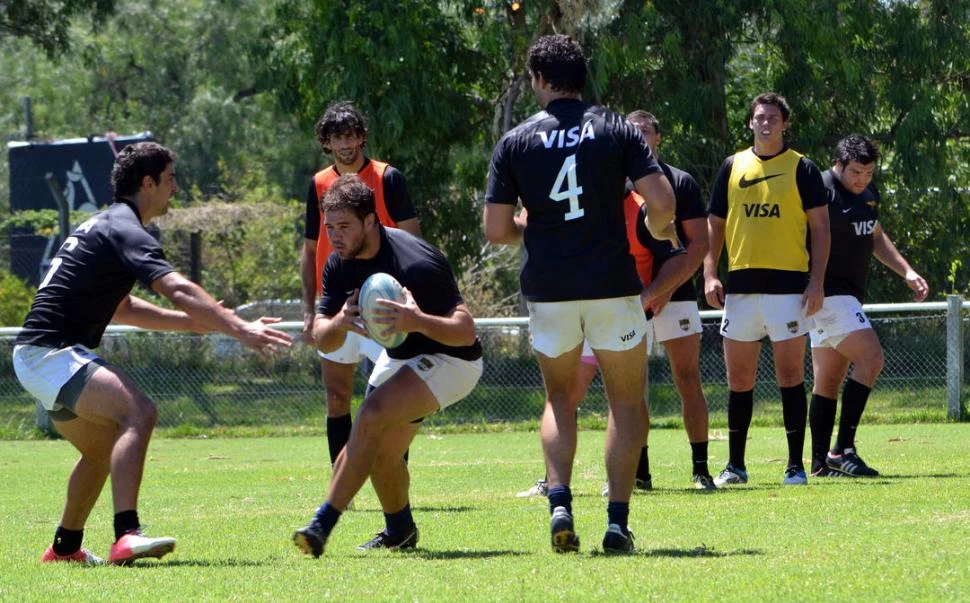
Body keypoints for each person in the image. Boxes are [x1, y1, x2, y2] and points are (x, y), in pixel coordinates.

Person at [12, 142, 292, 565]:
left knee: (103, 447)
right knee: (139, 412)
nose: (175, 188)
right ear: (148, 183)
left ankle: (64, 549)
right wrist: (239, 329)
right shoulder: (126, 228)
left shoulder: (108, 225)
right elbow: (177, 288)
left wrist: (197, 322)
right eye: (170, 179)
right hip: (51, 355)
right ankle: (126, 534)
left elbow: (124, 307)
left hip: (39, 357)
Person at [484, 34, 677, 554]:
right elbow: (661, 198)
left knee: (560, 398)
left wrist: (533, 225)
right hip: (612, 286)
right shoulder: (616, 127)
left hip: (549, 290)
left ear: (540, 80)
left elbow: (497, 229)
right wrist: (659, 228)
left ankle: (561, 503)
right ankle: (616, 522)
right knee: (626, 401)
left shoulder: (516, 141)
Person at [292, 175, 483, 557]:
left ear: (370, 221)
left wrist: (418, 321)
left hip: (452, 359)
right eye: (330, 228)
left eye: (344, 227)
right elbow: (321, 337)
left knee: (371, 413)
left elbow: (465, 332)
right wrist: (340, 323)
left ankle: (321, 524)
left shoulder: (416, 261)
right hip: (403, 357)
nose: (336, 236)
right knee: (381, 453)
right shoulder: (338, 264)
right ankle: (401, 530)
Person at [517, 186, 689, 498]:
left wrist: (646, 298)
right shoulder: (577, 198)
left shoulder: (641, 207)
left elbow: (677, 256)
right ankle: (554, 481)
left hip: (622, 317)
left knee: (627, 400)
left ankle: (633, 475)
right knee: (566, 396)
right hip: (579, 313)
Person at [702, 92, 830, 487]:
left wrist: (817, 281)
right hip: (740, 288)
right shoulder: (732, 165)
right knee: (739, 381)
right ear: (750, 122)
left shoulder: (802, 168)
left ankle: (795, 466)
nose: (766, 123)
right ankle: (735, 466)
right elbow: (715, 225)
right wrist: (710, 273)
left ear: (785, 123)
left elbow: (821, 228)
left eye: (774, 117)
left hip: (788, 288)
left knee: (790, 376)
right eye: (760, 117)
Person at [300, 101, 421, 472]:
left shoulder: (387, 178)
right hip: (336, 303)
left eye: (350, 135)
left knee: (390, 397)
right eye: (337, 137)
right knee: (337, 397)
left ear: (362, 137)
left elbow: (414, 241)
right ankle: (343, 484)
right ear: (327, 142)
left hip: (383, 301)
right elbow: (308, 251)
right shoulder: (319, 184)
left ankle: (395, 477)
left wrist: (413, 300)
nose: (345, 144)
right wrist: (309, 310)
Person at [808, 134, 928, 477]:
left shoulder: (869, 196)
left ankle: (820, 463)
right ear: (838, 164)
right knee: (872, 358)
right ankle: (842, 449)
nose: (862, 180)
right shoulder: (820, 189)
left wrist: (906, 270)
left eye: (869, 173)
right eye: (856, 172)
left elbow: (874, 236)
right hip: (826, 292)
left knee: (828, 380)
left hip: (846, 295)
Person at [626, 110, 715, 490]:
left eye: (645, 130)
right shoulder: (611, 183)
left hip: (675, 294)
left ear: (658, 137)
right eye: (631, 131)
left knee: (688, 378)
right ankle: (640, 472)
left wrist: (666, 287)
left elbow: (698, 244)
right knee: (632, 386)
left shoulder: (679, 181)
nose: (639, 136)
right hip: (629, 298)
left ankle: (700, 469)